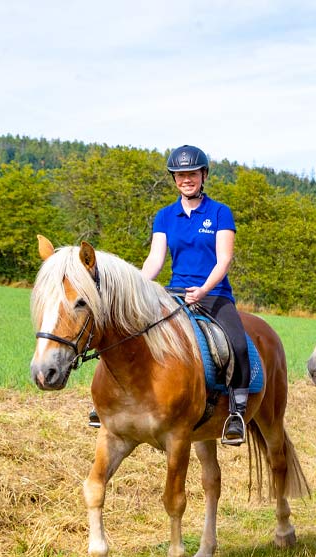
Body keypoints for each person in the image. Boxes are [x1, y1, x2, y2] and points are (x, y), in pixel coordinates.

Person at [90, 145, 250, 445]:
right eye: (180, 175)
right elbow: (155, 259)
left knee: (238, 345)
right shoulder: (165, 216)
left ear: (203, 176)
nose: (186, 179)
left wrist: (203, 289)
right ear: (174, 179)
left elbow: (224, 259)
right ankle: (108, 402)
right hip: (173, 293)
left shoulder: (219, 212)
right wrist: (135, 286)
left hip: (213, 295)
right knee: (124, 333)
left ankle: (236, 412)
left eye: (192, 174)